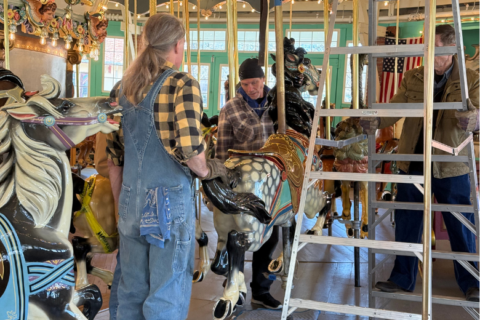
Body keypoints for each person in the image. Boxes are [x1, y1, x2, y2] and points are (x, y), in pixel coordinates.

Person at [106, 13, 230, 320]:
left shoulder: (121, 90)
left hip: (130, 202)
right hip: (168, 207)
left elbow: (114, 161)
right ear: (177, 45)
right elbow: (192, 155)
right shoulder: (181, 85)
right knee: (166, 293)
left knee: (130, 291)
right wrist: (211, 169)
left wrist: (123, 205)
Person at [359, 24, 479, 302]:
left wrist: (474, 120)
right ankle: (402, 279)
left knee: (460, 223)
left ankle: (472, 283)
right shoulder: (414, 76)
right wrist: (376, 120)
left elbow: (479, 113)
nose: (428, 54)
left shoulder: (471, 78)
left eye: (433, 48)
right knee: (407, 221)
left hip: (450, 165)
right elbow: (395, 107)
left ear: (450, 49)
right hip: (412, 161)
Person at [216, 58, 281, 309]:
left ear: (263, 80)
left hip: (271, 182)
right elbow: (221, 150)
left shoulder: (278, 105)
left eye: (254, 82)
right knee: (240, 234)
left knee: (271, 237)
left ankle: (261, 290)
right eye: (245, 84)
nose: (250, 88)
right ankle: (233, 288)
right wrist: (219, 185)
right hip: (242, 182)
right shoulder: (230, 108)